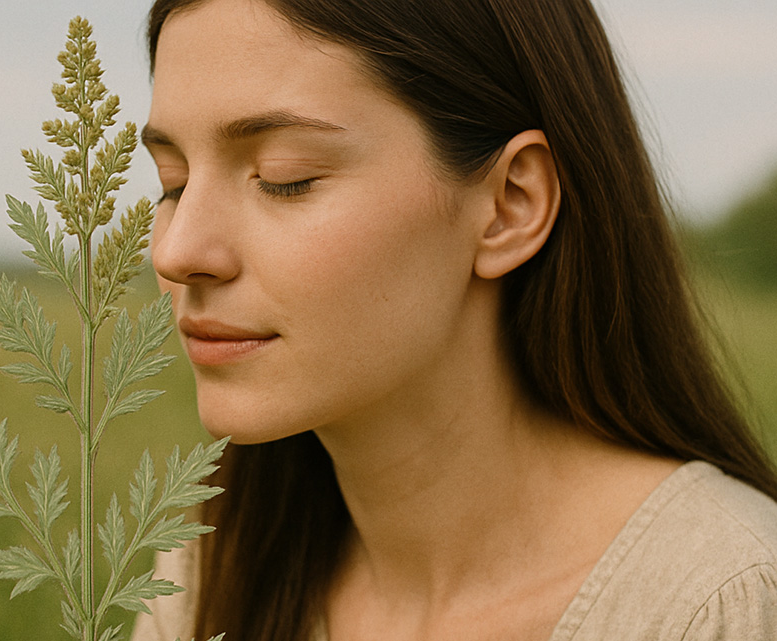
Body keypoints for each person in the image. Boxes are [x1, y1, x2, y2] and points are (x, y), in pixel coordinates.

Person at [130, 0, 777, 639]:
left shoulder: (724, 603)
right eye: (173, 181)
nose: (177, 251)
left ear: (510, 205)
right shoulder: (206, 577)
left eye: (284, 177)